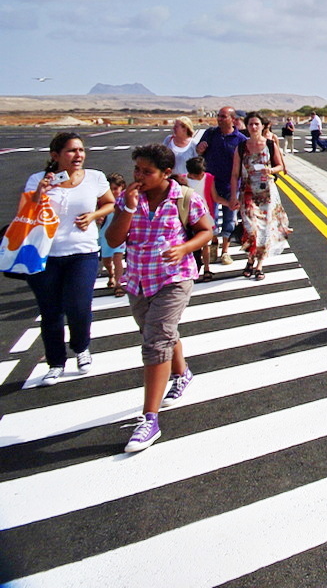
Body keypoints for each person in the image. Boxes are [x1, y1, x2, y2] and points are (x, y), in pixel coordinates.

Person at [106, 143, 214, 453]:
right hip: (139, 280)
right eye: (136, 169)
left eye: (147, 171)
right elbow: (113, 239)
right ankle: (182, 372)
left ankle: (149, 419)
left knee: (156, 341)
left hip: (174, 278)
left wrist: (184, 248)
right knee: (157, 332)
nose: (139, 176)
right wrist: (128, 208)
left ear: (166, 173)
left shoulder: (184, 198)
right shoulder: (129, 199)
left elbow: (206, 230)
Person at [14, 132, 117, 385]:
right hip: (45, 255)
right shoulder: (37, 179)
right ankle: (55, 363)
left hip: (83, 252)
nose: (78, 155)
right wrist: (40, 192)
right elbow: (25, 213)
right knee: (50, 312)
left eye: (81, 150)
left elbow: (110, 203)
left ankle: (81, 347)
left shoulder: (95, 177)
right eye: (71, 151)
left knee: (79, 306)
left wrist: (93, 216)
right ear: (55, 155)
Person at [230, 112, 290, 281]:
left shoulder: (270, 144)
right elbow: (234, 174)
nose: (254, 127)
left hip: (266, 193)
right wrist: (233, 196)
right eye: (251, 124)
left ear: (263, 126)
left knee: (265, 229)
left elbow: (279, 166)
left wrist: (270, 170)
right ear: (247, 126)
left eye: (257, 124)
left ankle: (258, 264)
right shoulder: (241, 147)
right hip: (247, 192)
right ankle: (251, 258)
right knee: (251, 229)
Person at [196, 106, 247, 265]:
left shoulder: (240, 140)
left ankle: (225, 251)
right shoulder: (210, 133)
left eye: (223, 116)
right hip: (210, 185)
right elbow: (199, 152)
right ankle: (213, 245)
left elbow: (244, 164)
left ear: (233, 119)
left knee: (229, 219)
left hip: (231, 186)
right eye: (218, 116)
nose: (219, 119)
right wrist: (200, 149)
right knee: (210, 218)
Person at [185, 156, 217, 282]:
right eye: (199, 174)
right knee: (191, 243)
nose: (202, 175)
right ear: (191, 173)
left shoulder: (208, 178)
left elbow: (215, 197)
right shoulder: (182, 180)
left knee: (205, 244)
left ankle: (207, 269)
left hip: (205, 215)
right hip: (188, 217)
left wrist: (229, 204)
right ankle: (192, 268)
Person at [98, 173, 128, 296]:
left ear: (122, 187)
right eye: (110, 189)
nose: (113, 192)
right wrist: (99, 218)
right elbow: (97, 214)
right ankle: (111, 274)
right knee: (106, 260)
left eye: (116, 188)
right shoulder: (103, 201)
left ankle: (118, 284)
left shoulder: (126, 200)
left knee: (117, 258)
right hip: (105, 234)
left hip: (120, 234)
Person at [163, 117, 199, 183]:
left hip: (186, 182)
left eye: (176, 126)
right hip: (170, 181)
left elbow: (196, 166)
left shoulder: (193, 144)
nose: (173, 128)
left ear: (185, 129)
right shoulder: (168, 140)